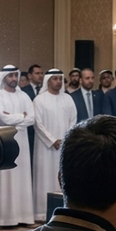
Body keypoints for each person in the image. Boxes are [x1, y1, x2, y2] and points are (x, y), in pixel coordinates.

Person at [0, 65, 36, 227]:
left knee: (21, 178)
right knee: (4, 178)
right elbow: (3, 118)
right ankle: (2, 219)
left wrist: (15, 122)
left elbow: (32, 118)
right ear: (4, 77)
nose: (14, 79)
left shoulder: (24, 96)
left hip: (21, 143)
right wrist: (22, 116)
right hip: (3, 142)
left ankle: (24, 217)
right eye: (10, 76)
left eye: (16, 75)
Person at [32, 69, 76, 220]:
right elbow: (38, 124)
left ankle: (63, 213)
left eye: (60, 79)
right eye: (54, 79)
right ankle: (42, 213)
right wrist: (52, 140)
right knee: (44, 177)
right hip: (45, 148)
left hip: (64, 145)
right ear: (48, 81)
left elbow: (73, 120)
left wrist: (65, 138)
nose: (58, 81)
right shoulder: (39, 100)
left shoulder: (68, 99)